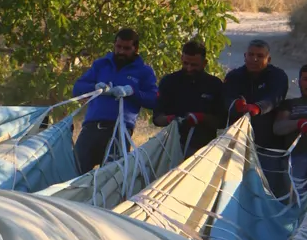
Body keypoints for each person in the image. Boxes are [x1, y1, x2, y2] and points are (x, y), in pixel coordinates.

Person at [71, 27, 158, 175]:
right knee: (73, 173)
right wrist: (94, 87)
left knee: (111, 177)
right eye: (118, 47)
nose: (121, 52)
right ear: (114, 45)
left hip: (119, 131)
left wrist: (132, 92)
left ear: (135, 49)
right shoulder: (101, 64)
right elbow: (77, 88)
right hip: (91, 128)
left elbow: (154, 100)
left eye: (126, 48)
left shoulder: (144, 71)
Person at [153, 40, 226, 155]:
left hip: (203, 150)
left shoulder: (214, 85)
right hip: (172, 147)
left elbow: (222, 121)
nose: (189, 68)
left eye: (194, 65)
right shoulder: (169, 82)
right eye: (186, 63)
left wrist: (202, 118)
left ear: (204, 63)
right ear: (181, 58)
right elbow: (157, 118)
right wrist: (172, 119)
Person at [223, 38, 289, 148]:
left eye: (260, 56)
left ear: (269, 59)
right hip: (236, 139)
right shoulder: (233, 76)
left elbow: (275, 98)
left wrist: (258, 107)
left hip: (268, 141)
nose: (254, 59)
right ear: (245, 56)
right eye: (251, 54)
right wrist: (235, 104)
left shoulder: (278, 76)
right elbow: (226, 98)